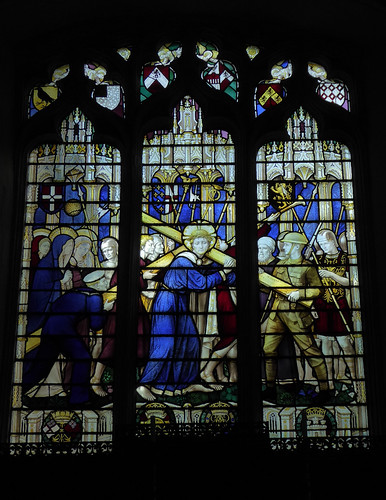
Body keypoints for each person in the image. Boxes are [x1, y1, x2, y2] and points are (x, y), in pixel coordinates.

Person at [136, 222, 235, 401]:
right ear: (190, 244)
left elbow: (211, 274)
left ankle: (185, 383)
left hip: (179, 301)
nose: (202, 246)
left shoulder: (195, 261)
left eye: (205, 243)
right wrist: (223, 272)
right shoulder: (183, 260)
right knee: (165, 345)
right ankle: (145, 384)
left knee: (190, 342)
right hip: (167, 302)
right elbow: (201, 283)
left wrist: (229, 272)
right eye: (197, 243)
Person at [262, 231, 330, 403]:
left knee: (310, 351)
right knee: (268, 350)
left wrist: (300, 293)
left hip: (297, 314)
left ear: (297, 246)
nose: (283, 246)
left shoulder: (307, 266)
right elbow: (273, 288)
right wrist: (261, 279)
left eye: (288, 243)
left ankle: (325, 389)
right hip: (277, 313)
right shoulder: (280, 264)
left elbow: (318, 289)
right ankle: (270, 388)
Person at [23, 287, 114, 406]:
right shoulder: (95, 297)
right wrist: (105, 310)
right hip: (63, 330)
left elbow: (55, 307)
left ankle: (19, 390)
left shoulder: (70, 294)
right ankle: (79, 399)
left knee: (41, 367)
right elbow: (96, 325)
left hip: (48, 329)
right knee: (83, 358)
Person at [313, 229, 356, 390]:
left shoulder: (345, 258)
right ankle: (328, 383)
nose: (323, 246)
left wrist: (331, 275)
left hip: (339, 304)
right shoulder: (319, 259)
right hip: (322, 305)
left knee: (345, 344)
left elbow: (349, 281)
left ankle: (356, 380)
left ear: (333, 241)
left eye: (325, 243)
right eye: (320, 244)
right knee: (325, 346)